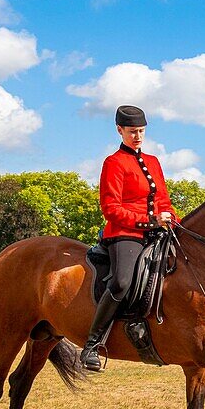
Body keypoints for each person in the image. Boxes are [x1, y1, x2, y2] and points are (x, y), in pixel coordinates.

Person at [80, 105, 177, 371]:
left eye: (141, 131)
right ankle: (91, 344)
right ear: (119, 130)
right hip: (125, 233)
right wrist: (148, 221)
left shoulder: (154, 161)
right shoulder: (113, 162)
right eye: (132, 131)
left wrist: (170, 217)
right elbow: (110, 209)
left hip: (157, 231)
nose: (137, 136)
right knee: (122, 282)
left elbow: (164, 200)